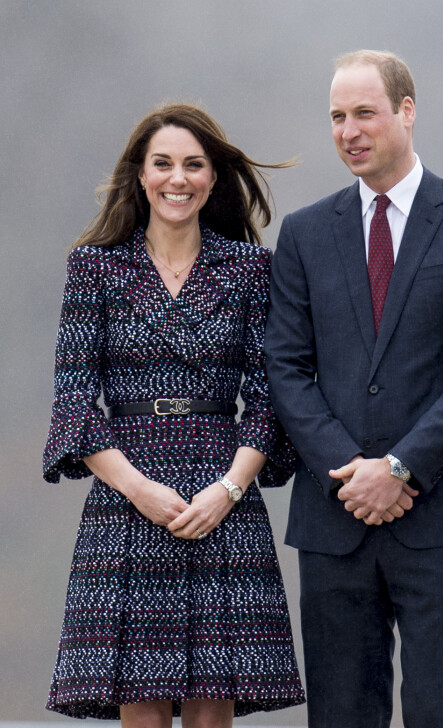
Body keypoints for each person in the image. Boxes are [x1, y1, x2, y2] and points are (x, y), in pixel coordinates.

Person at [265, 50, 443, 728]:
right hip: (333, 516)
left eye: (364, 113)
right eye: (337, 117)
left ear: (407, 112)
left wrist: (400, 468)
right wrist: (351, 473)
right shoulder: (304, 234)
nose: (349, 130)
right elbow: (286, 368)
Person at [43, 103, 305, 727]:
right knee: (142, 708)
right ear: (140, 174)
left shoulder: (249, 270)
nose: (177, 178)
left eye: (193, 164)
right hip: (124, 497)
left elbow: (271, 398)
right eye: (163, 164)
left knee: (213, 712)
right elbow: (75, 398)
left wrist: (229, 489)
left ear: (214, 178)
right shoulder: (95, 268)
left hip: (223, 494)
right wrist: (138, 490)